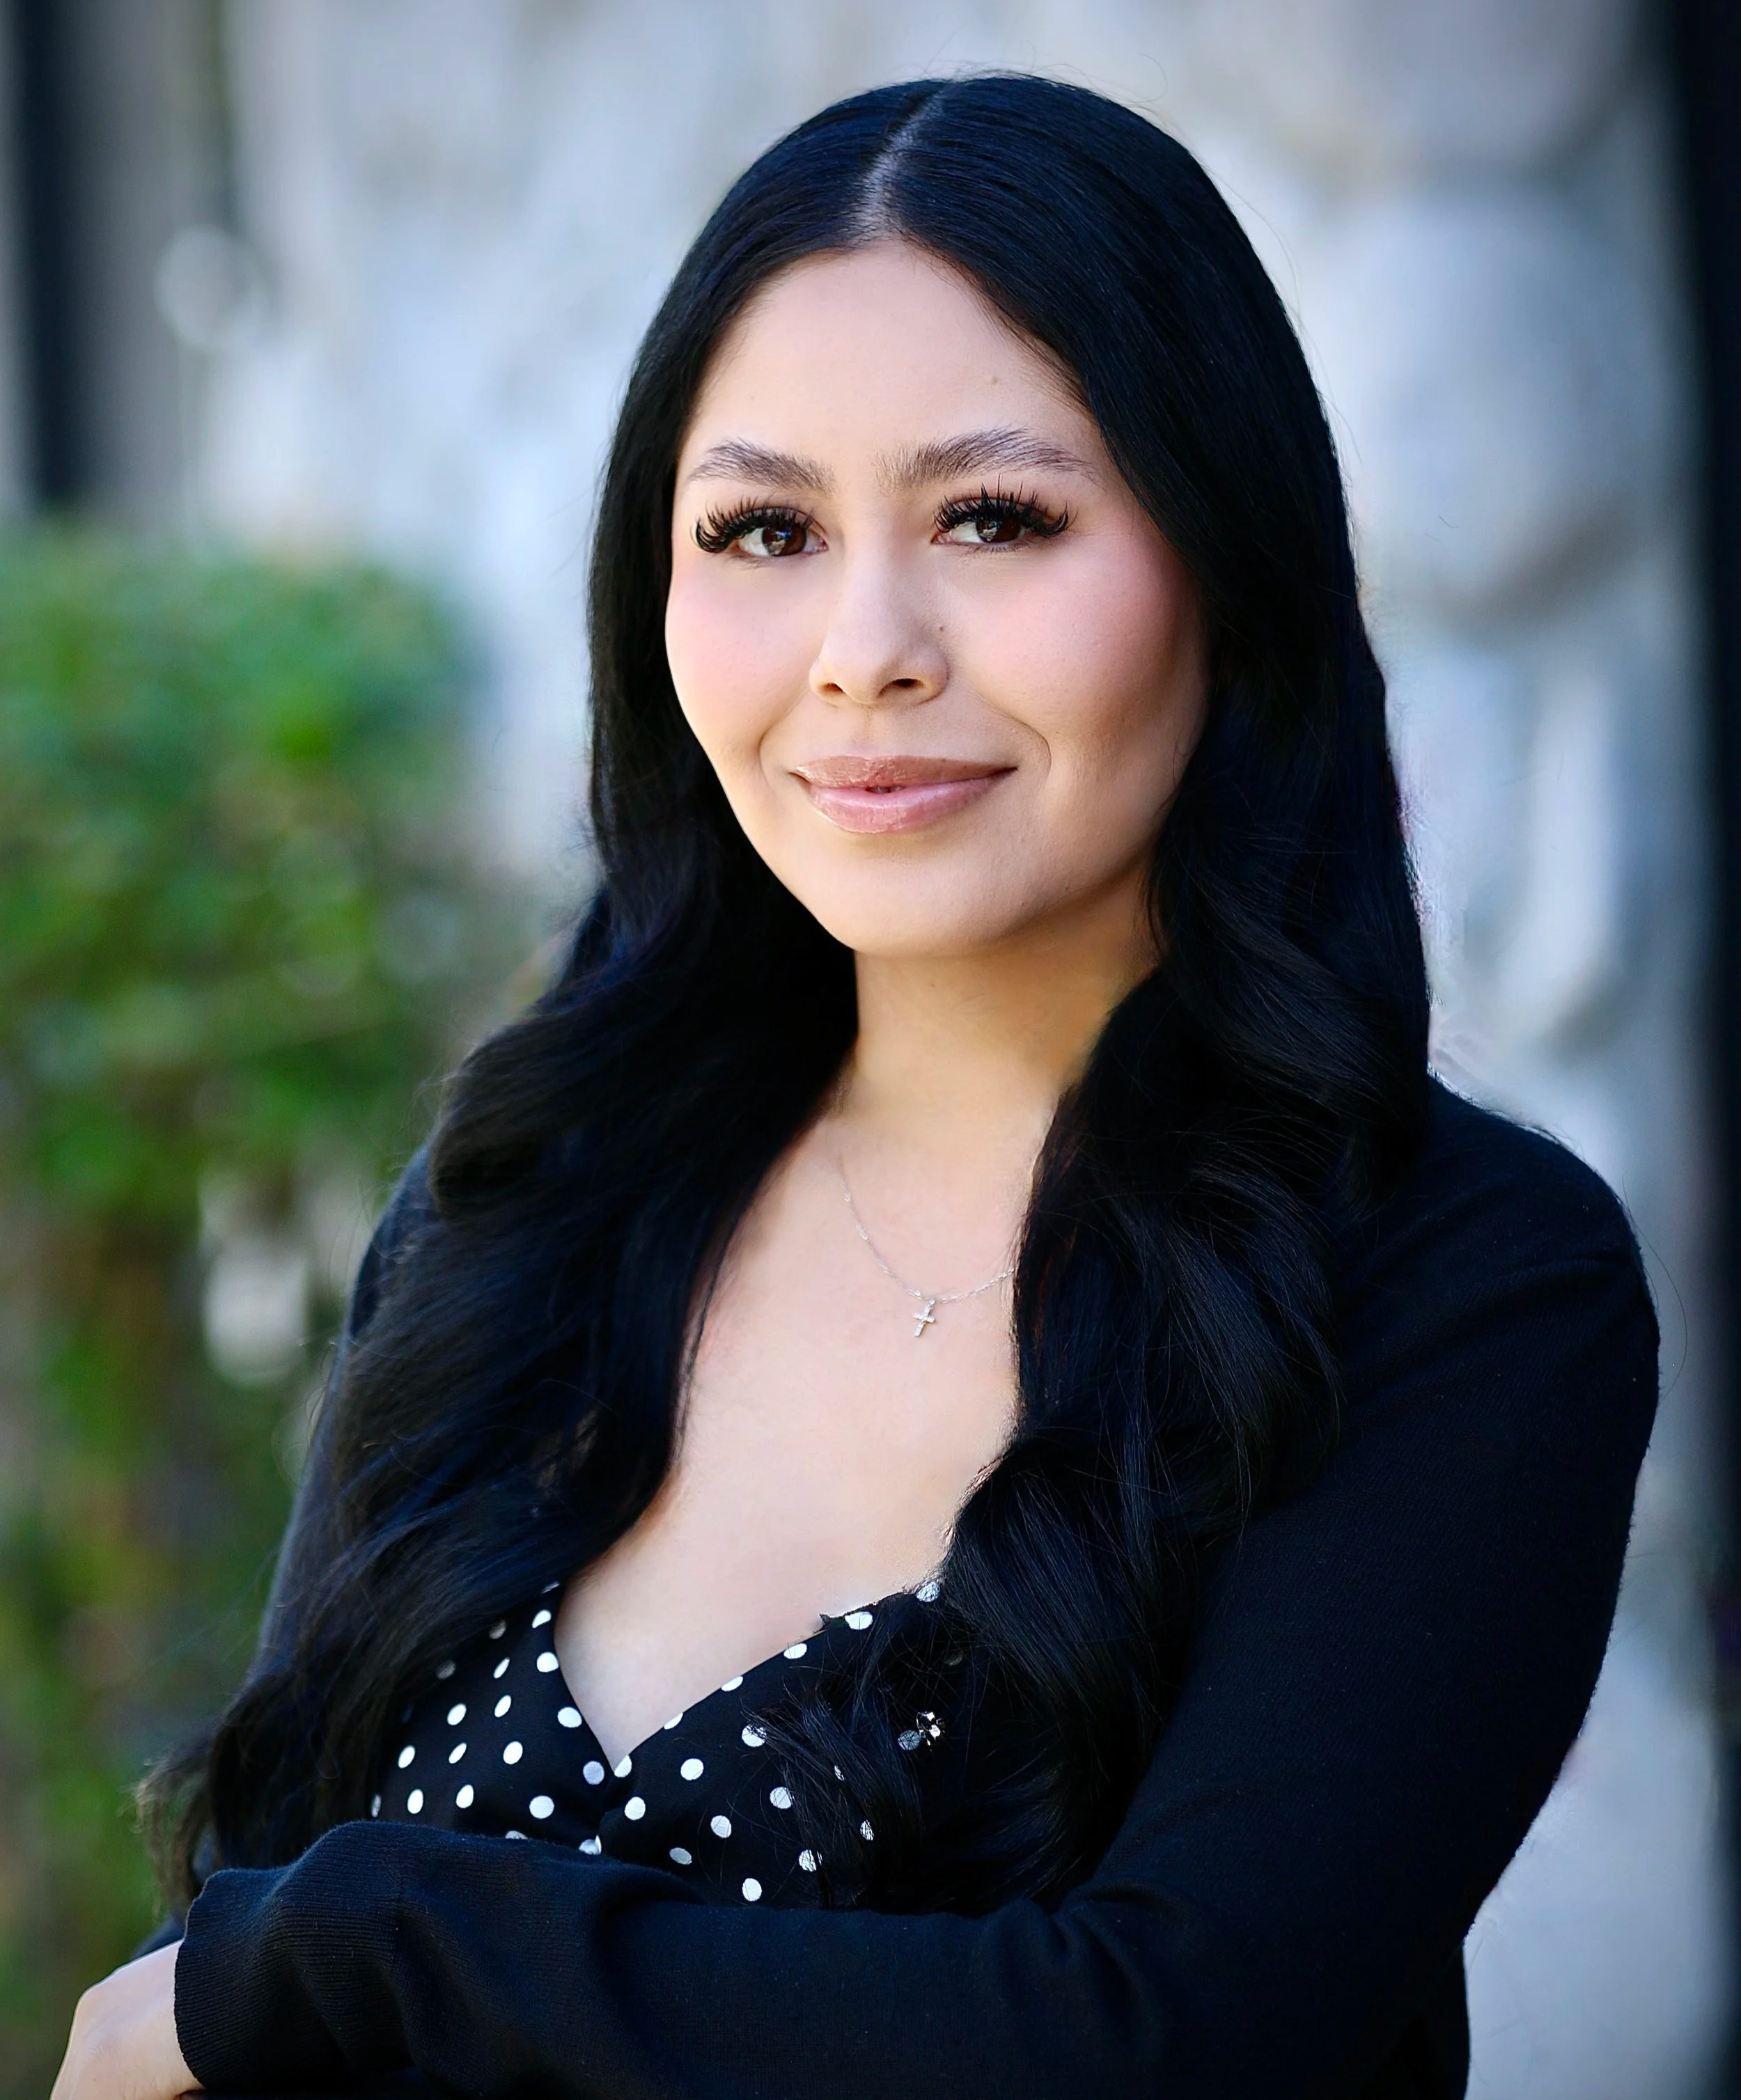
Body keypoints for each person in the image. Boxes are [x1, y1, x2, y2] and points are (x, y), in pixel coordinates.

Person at [52, 73, 1657, 2100]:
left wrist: (385, 1950)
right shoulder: (530, 1200)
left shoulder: (1461, 1280)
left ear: (1225, 563)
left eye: (995, 518)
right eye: (763, 531)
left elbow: (1180, 2039)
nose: (862, 649)